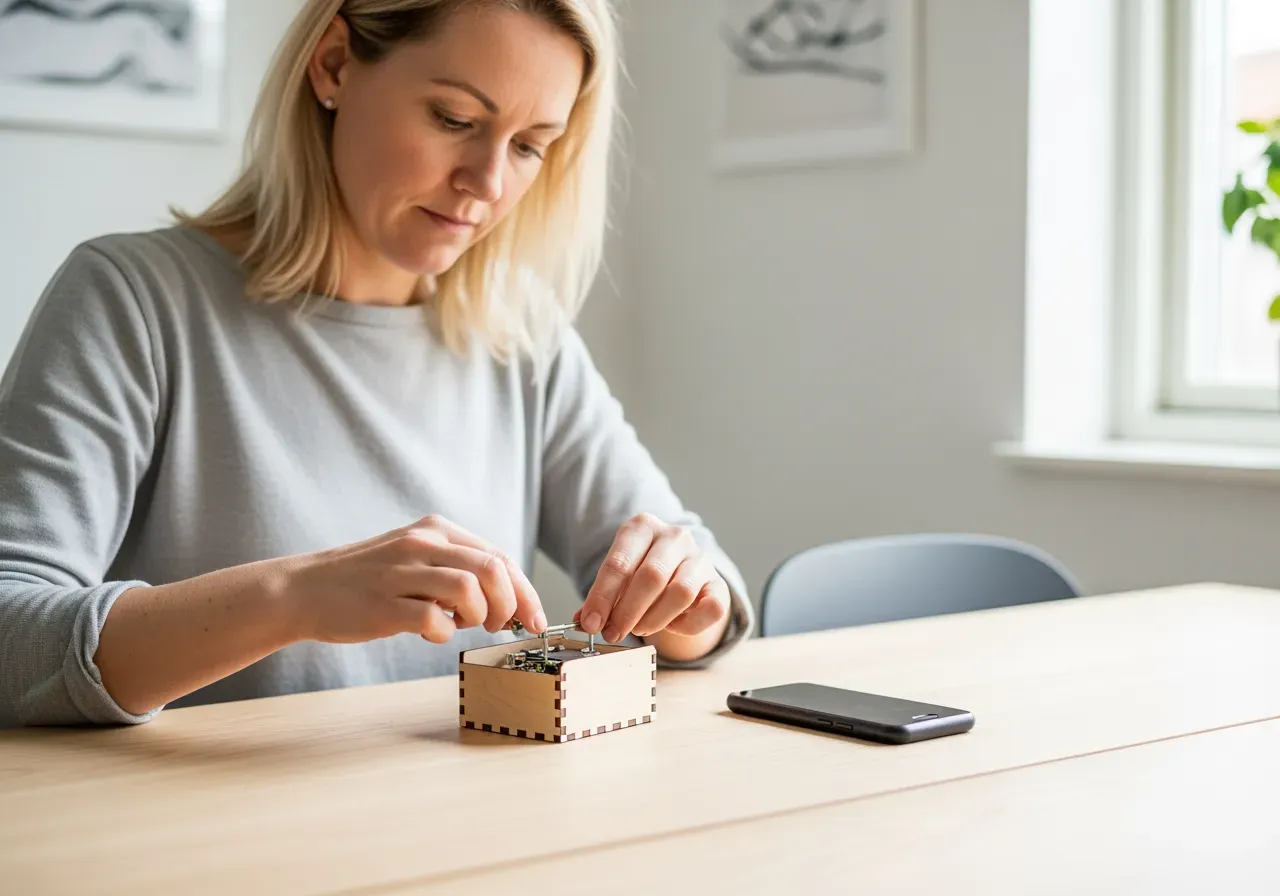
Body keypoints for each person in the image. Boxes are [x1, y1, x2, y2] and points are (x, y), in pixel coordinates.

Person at [0, 0, 753, 728]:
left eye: (529, 146)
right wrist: (295, 596)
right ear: (333, 65)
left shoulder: (520, 332)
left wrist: (687, 597)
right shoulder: (132, 299)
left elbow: (707, 603)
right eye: (455, 120)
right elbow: (10, 635)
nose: (488, 186)